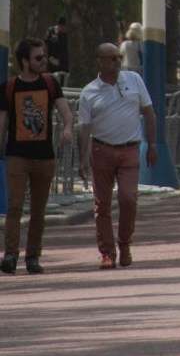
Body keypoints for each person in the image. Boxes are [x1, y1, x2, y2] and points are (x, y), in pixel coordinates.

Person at [76, 42, 158, 269]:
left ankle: (125, 243)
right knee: (102, 205)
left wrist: (153, 145)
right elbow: (84, 127)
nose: (117, 62)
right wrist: (82, 158)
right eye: (111, 58)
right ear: (100, 61)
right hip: (101, 150)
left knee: (128, 198)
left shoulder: (134, 80)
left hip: (130, 149)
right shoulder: (89, 92)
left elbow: (150, 113)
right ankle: (107, 252)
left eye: (119, 57)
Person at [2, 37, 71, 274]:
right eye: (38, 58)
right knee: (14, 206)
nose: (43, 61)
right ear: (24, 61)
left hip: (44, 157)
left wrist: (68, 127)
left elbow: (64, 110)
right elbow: (2, 123)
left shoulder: (51, 83)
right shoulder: (9, 87)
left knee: (38, 211)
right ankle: (10, 255)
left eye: (44, 56)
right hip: (17, 156)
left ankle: (32, 256)